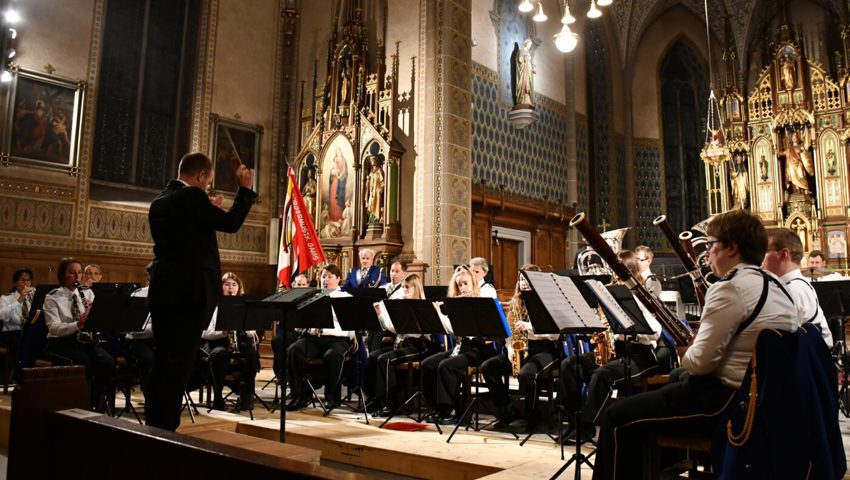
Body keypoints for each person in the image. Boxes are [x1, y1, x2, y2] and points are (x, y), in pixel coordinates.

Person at [591, 209, 799, 480]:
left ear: (732, 248)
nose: (708, 255)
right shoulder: (776, 285)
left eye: (711, 246)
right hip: (766, 401)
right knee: (663, 396)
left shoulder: (729, 288)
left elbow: (700, 365)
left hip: (726, 403)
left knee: (616, 416)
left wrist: (685, 352)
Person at [146, 151, 256, 431]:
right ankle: (165, 430)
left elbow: (187, 228)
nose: (207, 188)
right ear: (201, 176)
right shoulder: (191, 197)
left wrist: (206, 205)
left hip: (163, 289)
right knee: (180, 363)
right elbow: (231, 224)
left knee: (164, 360)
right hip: (189, 292)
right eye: (207, 183)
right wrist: (245, 189)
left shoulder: (161, 200)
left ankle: (154, 424)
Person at [559, 250, 662, 445]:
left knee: (602, 375)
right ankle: (573, 420)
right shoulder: (610, 295)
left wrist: (621, 332)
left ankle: (585, 427)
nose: (612, 276)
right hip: (618, 350)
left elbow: (654, 333)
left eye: (616, 272)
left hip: (641, 355)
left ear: (628, 272)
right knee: (570, 364)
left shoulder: (642, 296)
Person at [480, 265, 560, 432]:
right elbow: (509, 333)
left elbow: (555, 335)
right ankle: (509, 409)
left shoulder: (548, 301)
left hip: (544, 349)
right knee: (488, 367)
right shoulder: (516, 302)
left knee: (527, 375)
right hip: (520, 348)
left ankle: (533, 416)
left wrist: (529, 327)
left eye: (528, 279)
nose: (524, 283)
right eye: (522, 279)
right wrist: (510, 348)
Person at [421, 266, 502, 425]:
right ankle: (435, 407)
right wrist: (438, 313)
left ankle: (450, 411)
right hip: (461, 348)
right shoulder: (457, 304)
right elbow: (451, 328)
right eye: (459, 285)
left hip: (480, 349)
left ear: (473, 283)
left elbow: (491, 331)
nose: (463, 288)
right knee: (428, 364)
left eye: (465, 283)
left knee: (446, 366)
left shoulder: (481, 303)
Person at [43, 257, 116, 412]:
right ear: (63, 275)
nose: (77, 277)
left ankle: (94, 402)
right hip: (61, 343)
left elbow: (99, 322)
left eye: (79, 272)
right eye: (72, 273)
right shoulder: (52, 297)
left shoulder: (88, 294)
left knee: (108, 362)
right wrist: (77, 324)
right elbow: (54, 328)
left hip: (83, 342)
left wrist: (94, 314)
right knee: (84, 362)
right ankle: (75, 403)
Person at [285, 264, 354, 411]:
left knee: (333, 355)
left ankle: (332, 397)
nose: (326, 280)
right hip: (314, 338)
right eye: (323, 277)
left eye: (330, 277)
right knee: (294, 350)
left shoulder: (345, 297)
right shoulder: (312, 296)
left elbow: (349, 324)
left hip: (337, 340)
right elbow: (301, 323)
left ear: (338, 279)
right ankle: (300, 396)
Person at [368, 273, 433, 415]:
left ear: (416, 288)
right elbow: (393, 328)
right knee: (373, 356)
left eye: (407, 288)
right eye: (403, 287)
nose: (404, 291)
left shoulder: (423, 306)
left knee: (385, 359)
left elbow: (424, 332)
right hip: (402, 343)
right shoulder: (401, 305)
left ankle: (390, 403)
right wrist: (380, 314)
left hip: (418, 345)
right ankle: (374, 400)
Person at [763, 229, 833, 348]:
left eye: (765, 251)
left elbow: (782, 339)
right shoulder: (794, 285)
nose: (761, 258)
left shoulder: (793, 289)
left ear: (784, 254)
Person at [201, 272, 259, 411]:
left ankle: (246, 395)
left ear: (239, 288)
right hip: (216, 342)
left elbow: (251, 329)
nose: (231, 288)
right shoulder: (212, 305)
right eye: (226, 284)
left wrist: (251, 331)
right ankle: (218, 397)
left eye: (234, 285)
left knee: (251, 354)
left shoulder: (243, 305)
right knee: (220, 354)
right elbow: (205, 333)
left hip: (237, 342)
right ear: (220, 287)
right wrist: (224, 331)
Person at [271, 273, 310, 381]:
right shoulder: (287, 298)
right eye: (298, 284)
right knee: (277, 341)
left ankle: (299, 376)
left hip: (306, 335)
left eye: (303, 285)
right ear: (293, 285)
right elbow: (279, 318)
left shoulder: (312, 299)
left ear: (307, 286)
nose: (300, 287)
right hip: (290, 333)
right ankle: (282, 375)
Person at [124, 263, 155, 397]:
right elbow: (133, 329)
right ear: (150, 276)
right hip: (139, 341)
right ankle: (152, 401)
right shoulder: (138, 294)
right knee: (150, 361)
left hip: (161, 340)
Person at [0, 268, 34, 367]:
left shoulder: (33, 297)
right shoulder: (6, 298)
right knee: (20, 344)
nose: (26, 283)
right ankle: (18, 374)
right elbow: (3, 316)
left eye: (28, 280)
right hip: (12, 333)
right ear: (15, 283)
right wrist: (19, 300)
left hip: (29, 332)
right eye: (22, 280)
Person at [365, 155, 384, 223]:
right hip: (372, 191)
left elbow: (383, 182)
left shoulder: (379, 170)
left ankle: (377, 219)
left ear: (376, 161)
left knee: (377, 204)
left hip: (377, 190)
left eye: (373, 161)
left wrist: (381, 189)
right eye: (371, 161)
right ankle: (371, 219)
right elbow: (368, 183)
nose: (372, 162)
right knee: (370, 204)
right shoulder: (371, 172)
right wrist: (368, 181)